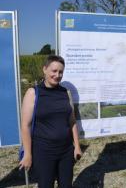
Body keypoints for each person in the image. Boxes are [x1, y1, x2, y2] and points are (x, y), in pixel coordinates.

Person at [19, 55, 82, 188]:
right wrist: (28, 154)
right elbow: (25, 125)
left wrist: (76, 146)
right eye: (54, 71)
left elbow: (72, 122)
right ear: (45, 69)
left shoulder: (66, 93)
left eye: (60, 72)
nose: (57, 75)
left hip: (66, 151)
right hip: (43, 152)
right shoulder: (33, 93)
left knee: (66, 185)